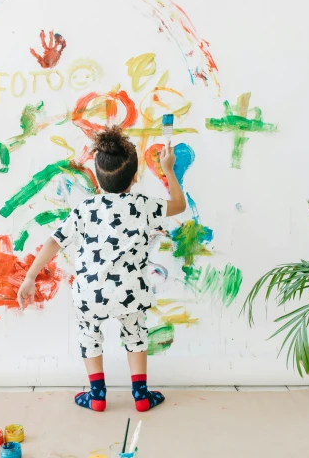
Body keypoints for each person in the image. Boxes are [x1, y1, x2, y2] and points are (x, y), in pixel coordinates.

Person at [17, 126, 186, 411]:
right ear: (134, 177)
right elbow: (179, 205)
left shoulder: (85, 209)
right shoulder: (144, 206)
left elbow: (53, 242)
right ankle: (141, 395)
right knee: (135, 335)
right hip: (130, 292)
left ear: (96, 177)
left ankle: (97, 396)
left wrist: (31, 276)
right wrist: (168, 168)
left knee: (89, 335)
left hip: (91, 294)